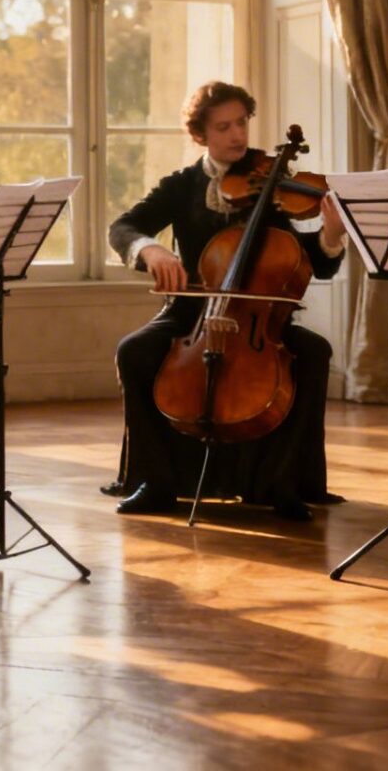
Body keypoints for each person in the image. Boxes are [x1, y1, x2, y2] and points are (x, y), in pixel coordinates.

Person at [106, 81, 347, 521]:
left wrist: (330, 238)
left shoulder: (271, 183)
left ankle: (281, 484)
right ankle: (154, 481)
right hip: (190, 316)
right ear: (201, 135)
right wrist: (150, 249)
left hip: (260, 318)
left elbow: (306, 261)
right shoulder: (182, 186)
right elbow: (123, 227)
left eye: (242, 123)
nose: (238, 135)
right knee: (134, 352)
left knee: (314, 353)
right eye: (224, 127)